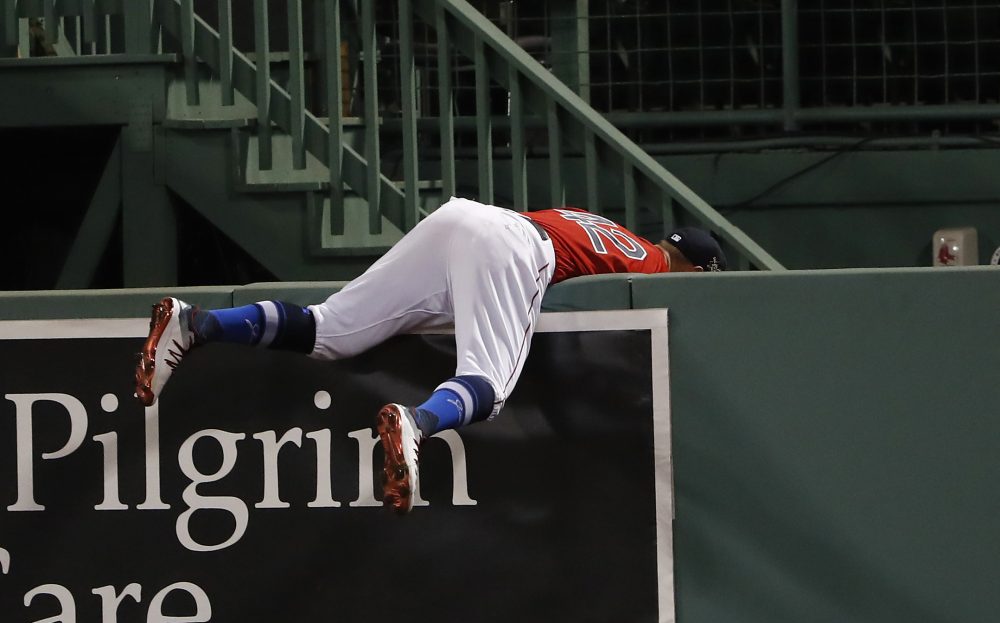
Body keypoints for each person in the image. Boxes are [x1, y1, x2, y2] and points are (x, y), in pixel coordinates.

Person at [134, 198, 726, 514]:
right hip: (512, 247)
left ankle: (197, 323)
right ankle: (416, 424)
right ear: (692, 267)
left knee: (330, 329)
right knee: (488, 387)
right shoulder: (654, 267)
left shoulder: (623, 235)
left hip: (463, 221)